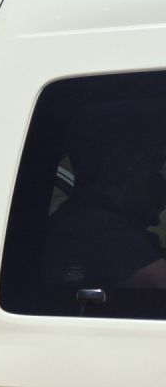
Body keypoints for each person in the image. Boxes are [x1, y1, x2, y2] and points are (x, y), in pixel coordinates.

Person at [45, 124, 166, 290]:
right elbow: (159, 281)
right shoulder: (96, 228)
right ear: (125, 169)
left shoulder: (90, 220)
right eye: (153, 167)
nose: (159, 180)